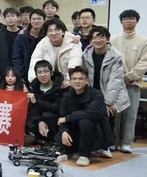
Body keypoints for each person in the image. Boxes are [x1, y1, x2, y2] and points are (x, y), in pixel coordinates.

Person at [55, 66, 115, 166]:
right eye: (74, 79)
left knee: (85, 121)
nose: (77, 81)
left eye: (81, 79)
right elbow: (61, 118)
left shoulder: (96, 94)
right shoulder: (66, 97)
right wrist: (64, 131)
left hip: (96, 131)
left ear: (87, 80)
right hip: (77, 130)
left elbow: (92, 113)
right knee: (59, 136)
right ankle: (76, 149)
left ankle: (85, 155)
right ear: (70, 81)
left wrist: (68, 118)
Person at [111, 9, 147, 153]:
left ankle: (126, 142)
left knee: (130, 114)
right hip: (115, 83)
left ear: (137, 21)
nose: (128, 21)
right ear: (121, 22)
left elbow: (144, 63)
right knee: (115, 113)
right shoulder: (113, 40)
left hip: (133, 83)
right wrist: (118, 78)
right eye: (125, 19)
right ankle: (113, 141)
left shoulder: (143, 41)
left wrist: (129, 77)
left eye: (132, 18)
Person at [83, 26, 130, 131]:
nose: (98, 40)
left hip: (110, 95)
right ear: (90, 41)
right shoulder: (85, 55)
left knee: (107, 116)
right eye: (94, 38)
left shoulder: (115, 56)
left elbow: (115, 81)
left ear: (107, 39)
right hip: (92, 94)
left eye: (101, 37)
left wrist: (107, 103)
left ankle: (109, 140)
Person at [28, 18, 82, 83]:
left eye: (57, 30)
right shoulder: (42, 44)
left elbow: (74, 65)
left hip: (68, 81)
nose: (53, 33)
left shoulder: (73, 42)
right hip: (49, 82)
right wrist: (34, 82)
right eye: (50, 30)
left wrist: (69, 81)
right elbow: (34, 63)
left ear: (63, 32)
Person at [27, 60, 65, 142]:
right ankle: (40, 140)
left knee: (48, 115)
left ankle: (53, 142)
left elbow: (57, 107)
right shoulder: (34, 88)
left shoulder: (60, 87)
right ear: (36, 74)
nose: (43, 75)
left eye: (45, 71)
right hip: (40, 118)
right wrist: (39, 121)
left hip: (56, 119)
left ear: (51, 73)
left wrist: (37, 102)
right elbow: (32, 108)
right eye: (39, 72)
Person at [13, 9, 46, 84]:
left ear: (44, 20)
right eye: (34, 19)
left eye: (39, 19)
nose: (36, 21)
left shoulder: (47, 37)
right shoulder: (21, 37)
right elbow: (17, 58)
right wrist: (20, 76)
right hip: (25, 74)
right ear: (30, 20)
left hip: (44, 75)